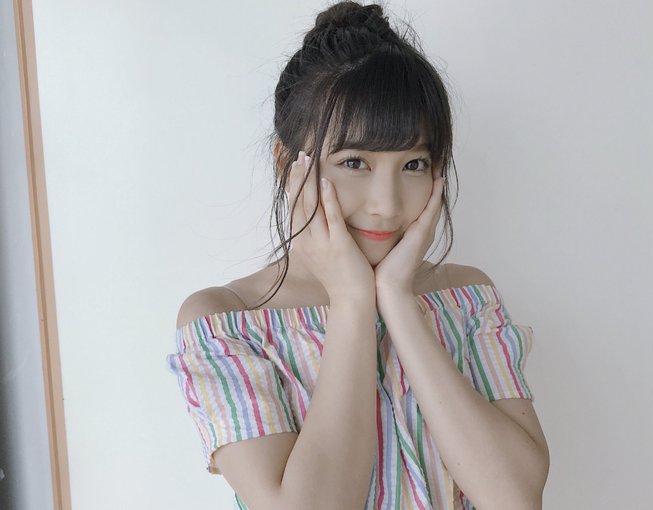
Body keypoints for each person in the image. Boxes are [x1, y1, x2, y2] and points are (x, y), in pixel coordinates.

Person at [165, 1, 550, 509]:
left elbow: (515, 499)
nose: (386, 204)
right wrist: (351, 301)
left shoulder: (466, 299)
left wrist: (397, 299)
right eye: (354, 162)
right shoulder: (228, 322)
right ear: (287, 162)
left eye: (414, 164)